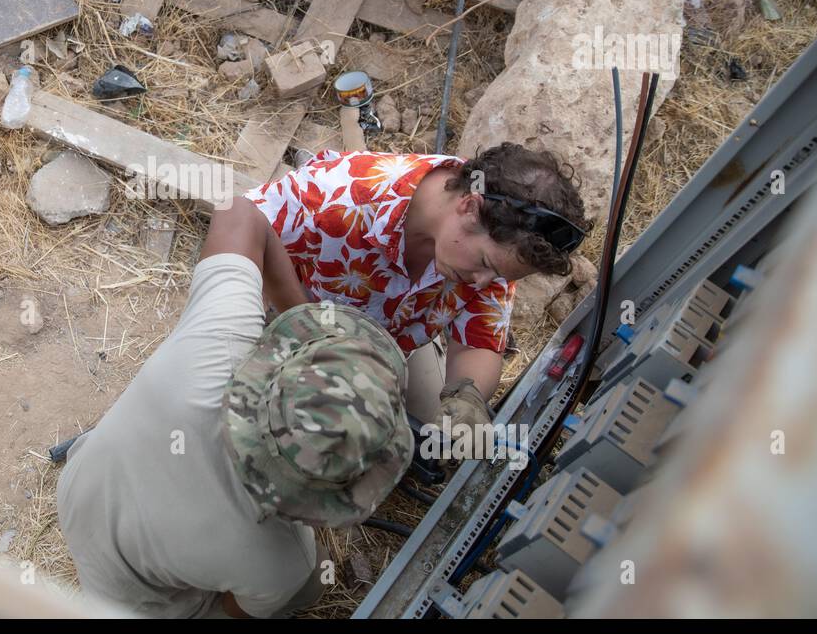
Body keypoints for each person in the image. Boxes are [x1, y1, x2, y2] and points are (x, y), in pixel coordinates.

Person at [56, 197, 413, 618]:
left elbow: (239, 211)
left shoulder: (223, 334)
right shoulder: (282, 561)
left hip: (82, 483)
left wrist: (303, 317)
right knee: (311, 586)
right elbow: (234, 612)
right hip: (128, 595)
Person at [246, 141, 589, 427]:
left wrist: (466, 398)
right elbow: (243, 226)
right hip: (301, 320)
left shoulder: (495, 250)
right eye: (486, 265)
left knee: (413, 431)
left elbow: (479, 342)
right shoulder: (336, 199)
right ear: (470, 206)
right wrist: (310, 331)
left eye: (498, 275)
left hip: (388, 344)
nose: (485, 282)